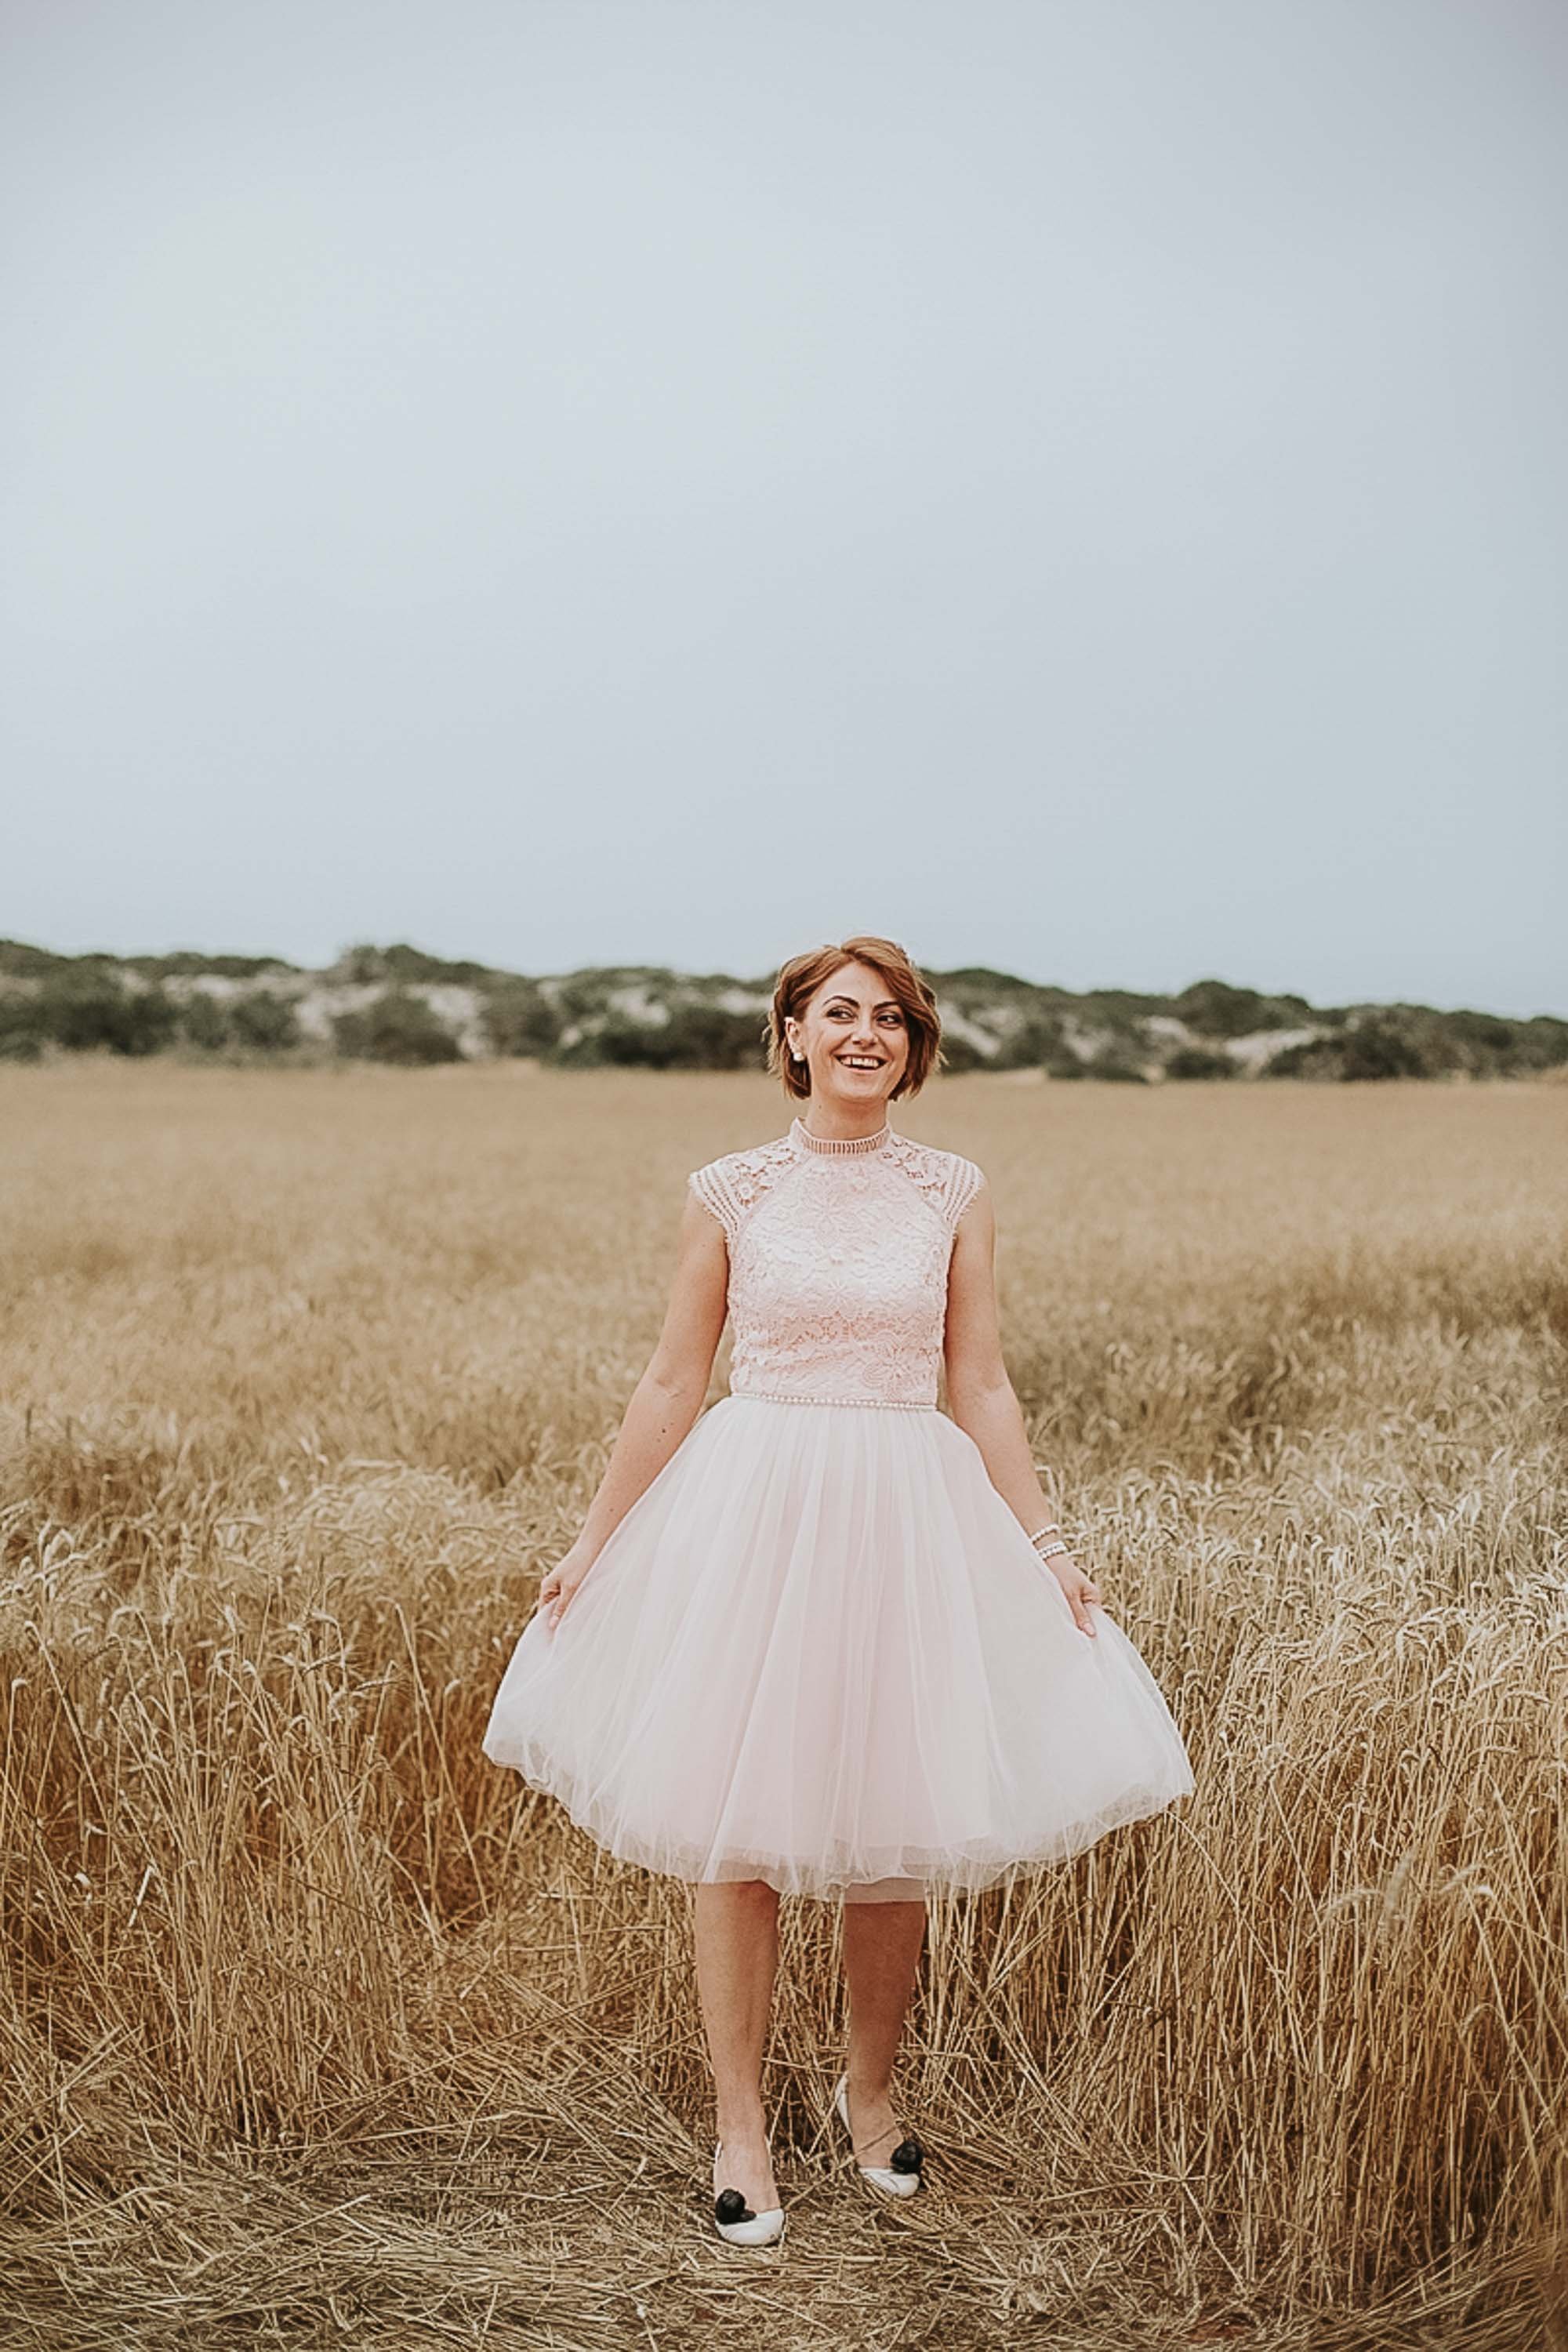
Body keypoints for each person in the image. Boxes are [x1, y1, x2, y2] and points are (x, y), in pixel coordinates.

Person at [483, 935, 1195, 2248]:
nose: (866, 1034)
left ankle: (871, 2100)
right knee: (737, 1824)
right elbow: (668, 1383)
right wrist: (593, 1543)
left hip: (906, 1511)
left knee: (894, 1819)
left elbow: (978, 1382)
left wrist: (1044, 1545)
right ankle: (741, 2125)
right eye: (840, 1014)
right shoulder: (732, 1190)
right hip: (755, 1506)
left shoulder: (954, 1189)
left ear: (914, 1049)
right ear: (795, 1036)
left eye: (892, 1019)